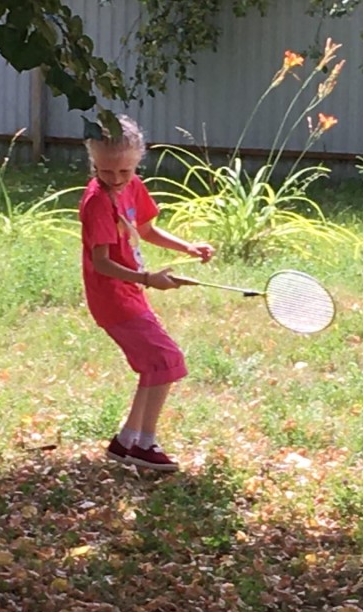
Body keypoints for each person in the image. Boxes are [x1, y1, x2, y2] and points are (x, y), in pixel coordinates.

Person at [79, 114, 214, 472]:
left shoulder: (133, 185)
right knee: (167, 360)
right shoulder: (97, 202)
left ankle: (127, 441)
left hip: (130, 291)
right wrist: (148, 278)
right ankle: (145, 444)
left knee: (155, 364)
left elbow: (147, 230)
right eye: (106, 171)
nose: (116, 179)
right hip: (111, 297)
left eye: (125, 171)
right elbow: (101, 263)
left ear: (138, 160)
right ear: (94, 162)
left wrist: (187, 247)